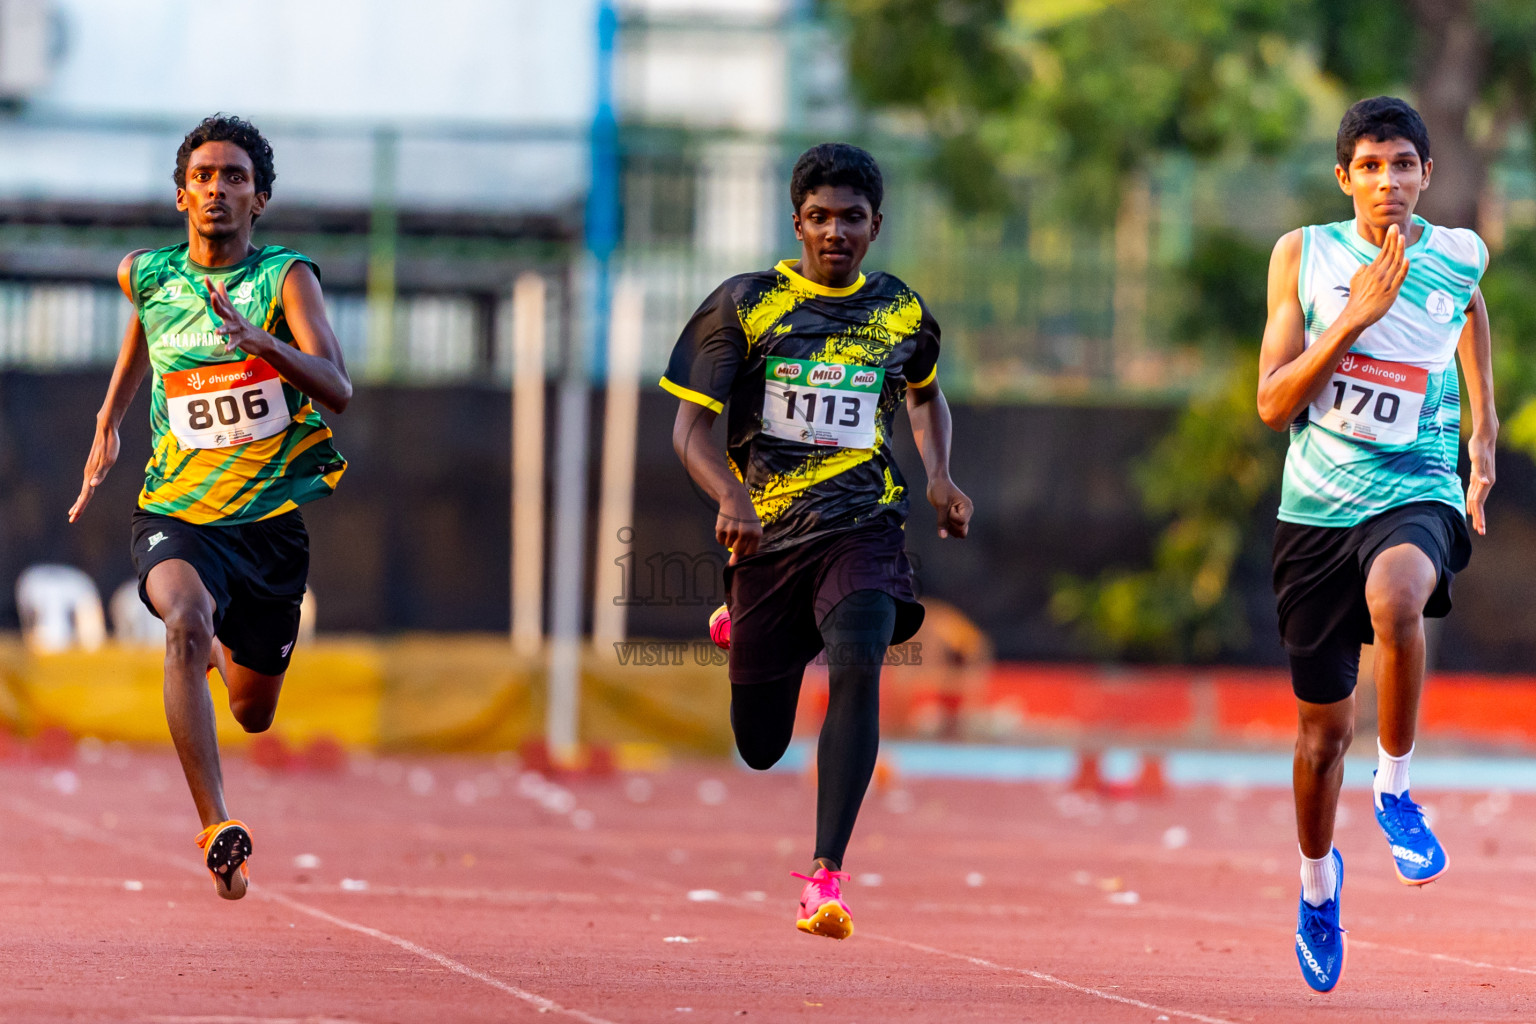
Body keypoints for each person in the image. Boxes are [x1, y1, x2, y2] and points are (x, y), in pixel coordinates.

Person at [663, 143, 973, 939]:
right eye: (821, 218)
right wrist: (730, 492)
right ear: (797, 223)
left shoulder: (900, 311)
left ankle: (826, 875)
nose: (836, 231)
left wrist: (939, 474)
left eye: (853, 218)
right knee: (760, 746)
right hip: (766, 539)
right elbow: (688, 429)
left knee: (859, 664)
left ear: (876, 226)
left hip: (865, 525)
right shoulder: (745, 304)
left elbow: (926, 397)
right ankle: (744, 627)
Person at [68, 114, 352, 900]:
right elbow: (144, 332)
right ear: (181, 193)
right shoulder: (146, 273)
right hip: (176, 513)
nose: (218, 190)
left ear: (260, 198)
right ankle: (217, 825)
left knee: (253, 711)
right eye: (204, 177)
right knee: (185, 623)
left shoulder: (287, 278)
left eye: (235, 178)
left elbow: (338, 387)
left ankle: (231, 642)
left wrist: (267, 348)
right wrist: (108, 421)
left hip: (266, 532)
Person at [1256, 96, 1495, 992]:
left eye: (1403, 164)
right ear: (1344, 178)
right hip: (1313, 512)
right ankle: (1319, 884)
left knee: (1397, 598)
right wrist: (1353, 319)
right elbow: (1273, 404)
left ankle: (1396, 791)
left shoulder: (1462, 251)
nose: (1388, 181)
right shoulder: (1303, 255)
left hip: (1417, 486)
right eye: (1370, 166)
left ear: (1427, 174)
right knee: (1321, 739)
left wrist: (1485, 428)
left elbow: (1467, 312)